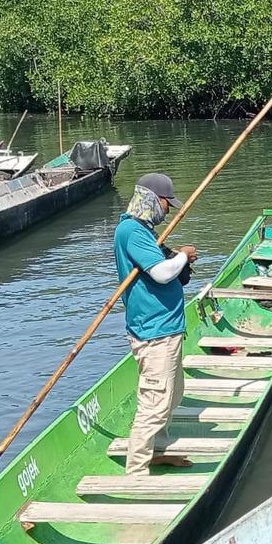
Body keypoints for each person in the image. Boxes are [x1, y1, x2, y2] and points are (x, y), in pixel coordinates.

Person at [114, 173, 199, 475]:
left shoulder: (145, 233)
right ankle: (136, 470)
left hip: (168, 328)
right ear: (152, 200)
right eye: (166, 203)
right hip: (154, 332)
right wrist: (183, 256)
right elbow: (162, 273)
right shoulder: (132, 231)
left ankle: (158, 450)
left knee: (172, 394)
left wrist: (179, 258)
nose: (167, 210)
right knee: (154, 402)